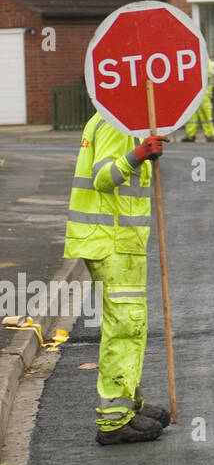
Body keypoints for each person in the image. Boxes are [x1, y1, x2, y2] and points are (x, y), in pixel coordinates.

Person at [64, 113, 170, 445]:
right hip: (112, 241)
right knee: (125, 326)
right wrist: (138, 155)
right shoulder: (115, 122)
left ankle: (127, 403)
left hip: (115, 240)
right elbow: (103, 177)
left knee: (128, 325)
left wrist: (143, 153)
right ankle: (114, 420)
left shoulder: (113, 120)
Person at [183, 57, 214, 142]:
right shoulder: (192, 59)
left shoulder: (206, 61)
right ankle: (190, 135)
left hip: (204, 93)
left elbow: (207, 74)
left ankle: (210, 135)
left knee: (206, 116)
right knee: (191, 116)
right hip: (192, 92)